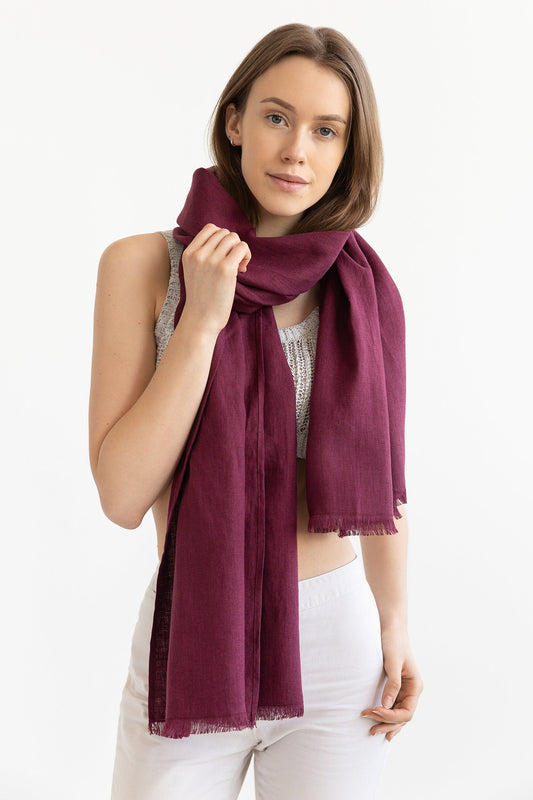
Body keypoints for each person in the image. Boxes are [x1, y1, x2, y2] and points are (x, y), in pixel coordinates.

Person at [89, 22, 423, 800]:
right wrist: (201, 322)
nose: (295, 149)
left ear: (346, 150)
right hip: (198, 633)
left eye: (325, 130)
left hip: (339, 649)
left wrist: (395, 623)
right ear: (235, 121)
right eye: (276, 117)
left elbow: (384, 483)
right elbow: (121, 495)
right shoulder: (143, 267)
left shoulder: (362, 290)